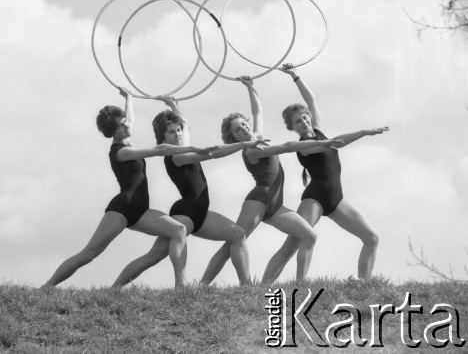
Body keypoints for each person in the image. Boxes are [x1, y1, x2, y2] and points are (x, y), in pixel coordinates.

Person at [41, 88, 215, 289]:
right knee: (89, 254)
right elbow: (160, 149)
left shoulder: (124, 137)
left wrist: (129, 99)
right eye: (122, 125)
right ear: (113, 132)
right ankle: (47, 286)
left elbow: (129, 119)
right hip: (122, 209)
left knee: (179, 230)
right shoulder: (121, 152)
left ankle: (179, 287)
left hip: (141, 211)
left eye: (124, 122)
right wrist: (194, 148)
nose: (127, 126)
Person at [200, 76, 345, 285]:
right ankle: (204, 284)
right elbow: (285, 148)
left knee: (309, 236)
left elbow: (257, 111)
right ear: (234, 138)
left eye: (243, 124)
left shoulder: (257, 135)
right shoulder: (250, 149)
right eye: (237, 130)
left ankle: (283, 285)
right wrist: (324, 143)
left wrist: (250, 87)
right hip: (258, 202)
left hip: (275, 206)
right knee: (233, 242)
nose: (243, 129)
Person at [112, 97, 268, 287]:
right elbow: (213, 153)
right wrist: (243, 145)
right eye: (171, 132)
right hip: (186, 213)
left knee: (238, 235)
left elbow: (185, 125)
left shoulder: (181, 145)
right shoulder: (176, 155)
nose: (177, 134)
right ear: (163, 137)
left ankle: (246, 286)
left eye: (177, 131)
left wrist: (174, 107)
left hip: (201, 213)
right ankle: (115, 288)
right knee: (153, 256)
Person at [262, 64, 389, 284]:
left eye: (304, 118)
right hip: (315, 199)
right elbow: (333, 144)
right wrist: (362, 132)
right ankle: (273, 286)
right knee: (293, 243)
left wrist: (294, 76)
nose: (304, 122)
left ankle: (363, 284)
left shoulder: (318, 129)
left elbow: (311, 100)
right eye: (298, 122)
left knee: (371, 238)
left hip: (336, 199)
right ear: (292, 127)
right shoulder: (301, 144)